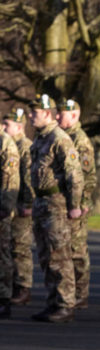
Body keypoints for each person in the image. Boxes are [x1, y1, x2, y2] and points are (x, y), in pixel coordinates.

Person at [29, 94, 84, 323]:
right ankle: (53, 301)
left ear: (47, 114)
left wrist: (74, 205)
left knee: (59, 255)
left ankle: (65, 304)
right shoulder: (41, 138)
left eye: (35, 113)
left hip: (56, 204)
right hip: (41, 203)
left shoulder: (59, 138)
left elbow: (75, 174)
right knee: (45, 256)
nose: (31, 117)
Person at [56, 98, 97, 309]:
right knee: (68, 247)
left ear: (74, 115)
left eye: (61, 114)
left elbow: (88, 175)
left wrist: (83, 201)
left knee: (77, 249)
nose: (56, 116)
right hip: (66, 201)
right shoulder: (66, 137)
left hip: (78, 203)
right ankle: (73, 292)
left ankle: (81, 293)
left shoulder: (80, 140)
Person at [2, 108, 34, 307]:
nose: (4, 128)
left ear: (19, 127)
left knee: (20, 247)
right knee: (11, 244)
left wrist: (27, 203)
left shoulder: (25, 146)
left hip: (21, 204)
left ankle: (23, 286)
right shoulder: (9, 144)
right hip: (11, 203)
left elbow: (28, 179)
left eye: (8, 125)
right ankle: (12, 283)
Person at [0, 122, 20, 319]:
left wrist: (5, 208)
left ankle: (4, 299)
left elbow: (10, 180)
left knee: (2, 254)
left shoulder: (5, 143)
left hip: (1, 209)